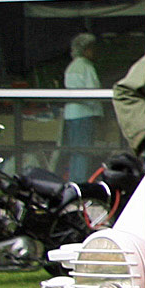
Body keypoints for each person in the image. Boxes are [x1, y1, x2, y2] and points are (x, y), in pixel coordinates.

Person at [60, 33, 103, 181]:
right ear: (85, 49)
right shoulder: (86, 66)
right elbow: (93, 93)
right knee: (83, 152)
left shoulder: (71, 67)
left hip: (71, 115)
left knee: (75, 151)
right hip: (84, 114)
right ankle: (80, 183)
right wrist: (99, 112)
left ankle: (74, 180)